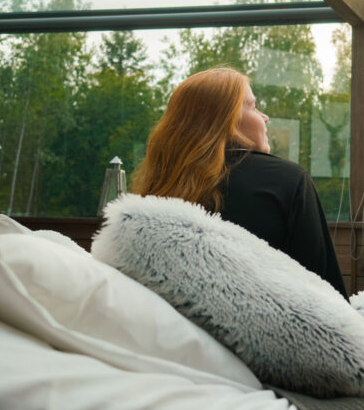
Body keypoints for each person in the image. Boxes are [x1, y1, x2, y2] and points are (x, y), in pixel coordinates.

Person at [133, 66, 349, 299]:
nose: (265, 117)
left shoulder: (157, 189)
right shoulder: (287, 180)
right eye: (254, 106)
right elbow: (326, 292)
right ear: (226, 119)